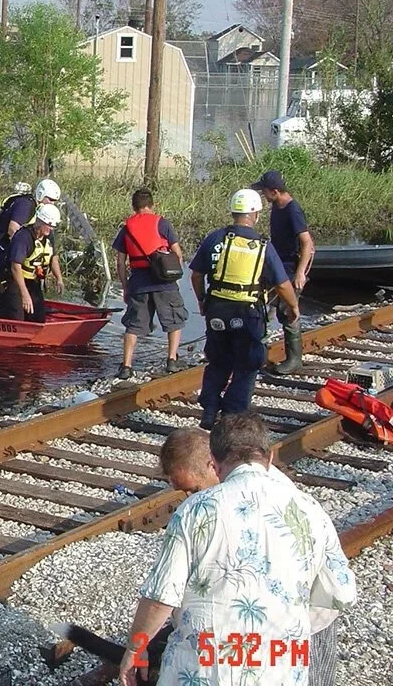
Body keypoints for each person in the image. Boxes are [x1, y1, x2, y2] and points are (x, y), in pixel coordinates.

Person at [119, 414, 355, 686]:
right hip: (280, 663)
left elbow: (161, 597)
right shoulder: (309, 508)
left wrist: (136, 648)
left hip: (207, 664)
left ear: (215, 464)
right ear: (268, 456)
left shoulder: (196, 510)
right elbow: (342, 593)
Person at [190, 189, 299, 429]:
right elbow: (282, 284)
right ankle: (232, 415)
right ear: (256, 215)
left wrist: (201, 300)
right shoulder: (262, 246)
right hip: (246, 312)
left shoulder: (215, 238)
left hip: (216, 309)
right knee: (248, 363)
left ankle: (209, 409)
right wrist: (293, 307)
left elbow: (197, 274)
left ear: (233, 212)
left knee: (218, 360)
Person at [113, 188, 188, 379]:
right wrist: (174, 277)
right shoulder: (162, 223)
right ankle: (171, 359)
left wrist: (125, 286)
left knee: (133, 325)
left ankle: (127, 366)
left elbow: (120, 262)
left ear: (133, 207)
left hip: (139, 282)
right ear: (152, 205)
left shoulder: (126, 228)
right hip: (165, 282)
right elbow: (178, 253)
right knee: (174, 320)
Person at [252, 170, 314, 374]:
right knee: (265, 305)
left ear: (275, 191)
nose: (263, 195)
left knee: (288, 310)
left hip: (291, 266)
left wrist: (300, 273)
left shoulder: (292, 210)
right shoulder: (277, 207)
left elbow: (307, 243)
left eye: (264, 191)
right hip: (277, 263)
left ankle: (294, 359)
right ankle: (257, 353)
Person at [0, 203, 63, 323]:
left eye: (53, 226)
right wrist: (25, 295)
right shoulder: (23, 237)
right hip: (13, 280)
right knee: (17, 318)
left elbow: (53, 257)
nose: (51, 228)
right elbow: (15, 267)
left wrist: (59, 279)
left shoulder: (48, 236)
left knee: (38, 318)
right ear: (40, 221)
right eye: (49, 225)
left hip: (31, 281)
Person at [0, 179, 61, 285]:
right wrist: (24, 252)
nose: (52, 204)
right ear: (40, 195)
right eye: (50, 200)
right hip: (1, 248)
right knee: (10, 283)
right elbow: (12, 229)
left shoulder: (37, 208)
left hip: (6, 247)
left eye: (54, 201)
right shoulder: (26, 205)